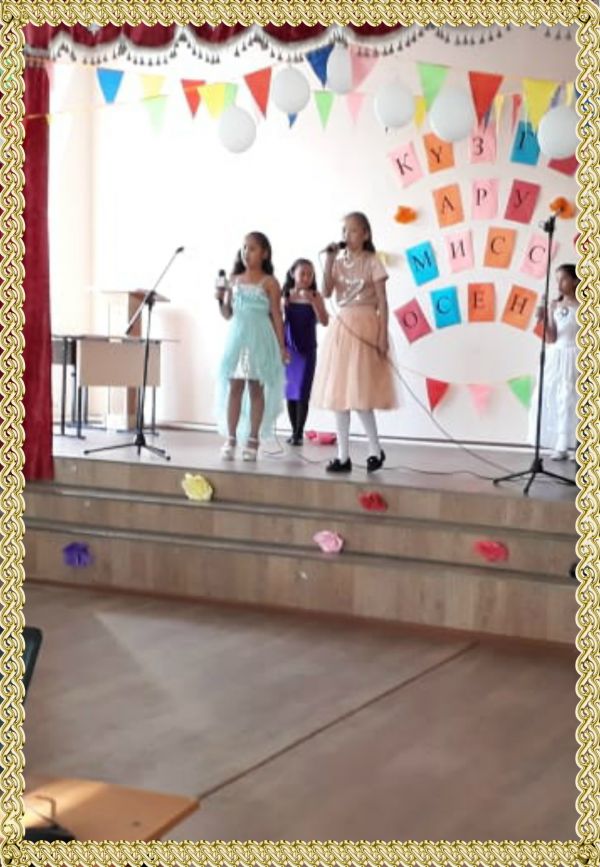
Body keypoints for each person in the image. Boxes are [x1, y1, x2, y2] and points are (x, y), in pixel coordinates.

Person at [311, 211, 398, 473]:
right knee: (340, 395)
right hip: (343, 328)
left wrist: (382, 335)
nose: (347, 235)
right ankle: (343, 456)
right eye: (344, 231)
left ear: (365, 234)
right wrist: (329, 260)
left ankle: (375, 449)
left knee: (360, 394)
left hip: (366, 324)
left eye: (352, 230)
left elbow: (382, 300)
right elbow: (326, 292)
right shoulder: (338, 262)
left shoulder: (372, 262)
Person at [215, 231, 287, 461]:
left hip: (259, 338)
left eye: (253, 248)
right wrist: (220, 298)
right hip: (237, 338)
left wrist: (282, 346)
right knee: (234, 387)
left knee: (256, 388)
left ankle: (253, 439)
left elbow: (277, 316)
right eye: (244, 247)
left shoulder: (270, 282)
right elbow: (227, 314)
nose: (247, 252)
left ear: (264, 253)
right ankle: (231, 438)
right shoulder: (234, 280)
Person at [529, 262, 579, 460]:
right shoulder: (554, 305)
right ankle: (561, 444)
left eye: (564, 279)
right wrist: (543, 318)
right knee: (558, 398)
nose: (559, 284)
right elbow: (551, 337)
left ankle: (578, 445)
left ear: (575, 281)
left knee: (573, 399)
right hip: (556, 356)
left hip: (576, 355)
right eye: (557, 280)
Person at [282, 258, 329, 445]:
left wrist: (313, 302)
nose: (306, 277)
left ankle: (299, 433)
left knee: (303, 391)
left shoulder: (316, 296)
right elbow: (278, 320)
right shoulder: (285, 295)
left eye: (310, 274)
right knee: (290, 390)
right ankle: (294, 431)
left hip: (308, 348)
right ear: (293, 273)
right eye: (303, 273)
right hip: (289, 349)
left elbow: (324, 321)